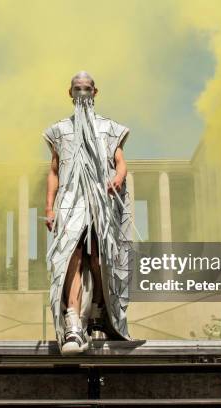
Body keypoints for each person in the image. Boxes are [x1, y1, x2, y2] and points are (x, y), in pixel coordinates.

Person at [43, 71, 134, 355]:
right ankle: (72, 320)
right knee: (71, 254)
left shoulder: (108, 128)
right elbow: (55, 169)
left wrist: (118, 178)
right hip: (71, 201)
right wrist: (49, 206)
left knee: (99, 257)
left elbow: (120, 161)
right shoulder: (60, 130)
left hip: (100, 201)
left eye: (86, 88)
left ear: (95, 92)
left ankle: (101, 311)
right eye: (77, 88)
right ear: (70, 93)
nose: (82, 93)